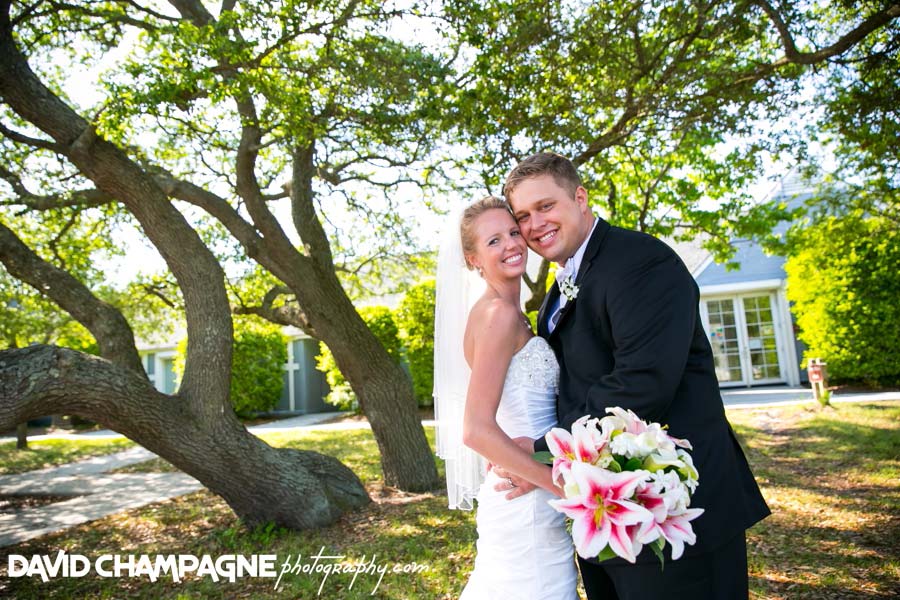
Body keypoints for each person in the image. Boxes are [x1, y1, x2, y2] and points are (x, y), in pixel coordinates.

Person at [495, 152, 771, 600]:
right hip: (604, 510)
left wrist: (545, 452)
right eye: (523, 215)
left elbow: (641, 383)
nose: (533, 224)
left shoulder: (641, 263)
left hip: (673, 507)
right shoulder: (560, 286)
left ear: (580, 198)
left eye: (545, 206)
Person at [433, 196, 577, 599]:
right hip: (525, 505)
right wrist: (559, 485)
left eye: (513, 232)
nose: (512, 244)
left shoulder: (508, 312)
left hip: (529, 493)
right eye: (493, 241)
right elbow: (476, 429)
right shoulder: (497, 316)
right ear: (472, 259)